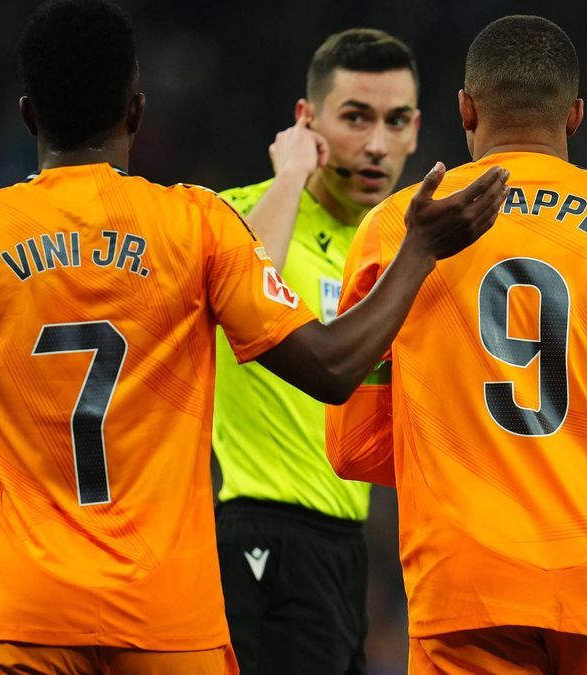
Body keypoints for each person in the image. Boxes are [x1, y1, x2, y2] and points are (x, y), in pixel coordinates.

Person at [0, 1, 508, 673]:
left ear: (30, 115)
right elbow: (331, 368)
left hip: (27, 617)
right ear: (136, 112)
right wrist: (420, 250)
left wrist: (18, 386)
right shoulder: (195, 225)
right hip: (169, 625)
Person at [326, 15, 587, 675]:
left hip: (464, 587)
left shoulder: (396, 226)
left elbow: (354, 446)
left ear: (465, 108)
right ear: (574, 116)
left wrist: (460, 447)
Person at [210, 29, 419, 674]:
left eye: (396, 121)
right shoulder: (240, 215)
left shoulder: (390, 247)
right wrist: (293, 176)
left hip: (346, 546)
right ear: (308, 119)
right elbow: (242, 296)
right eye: (356, 118)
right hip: (258, 529)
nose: (377, 145)